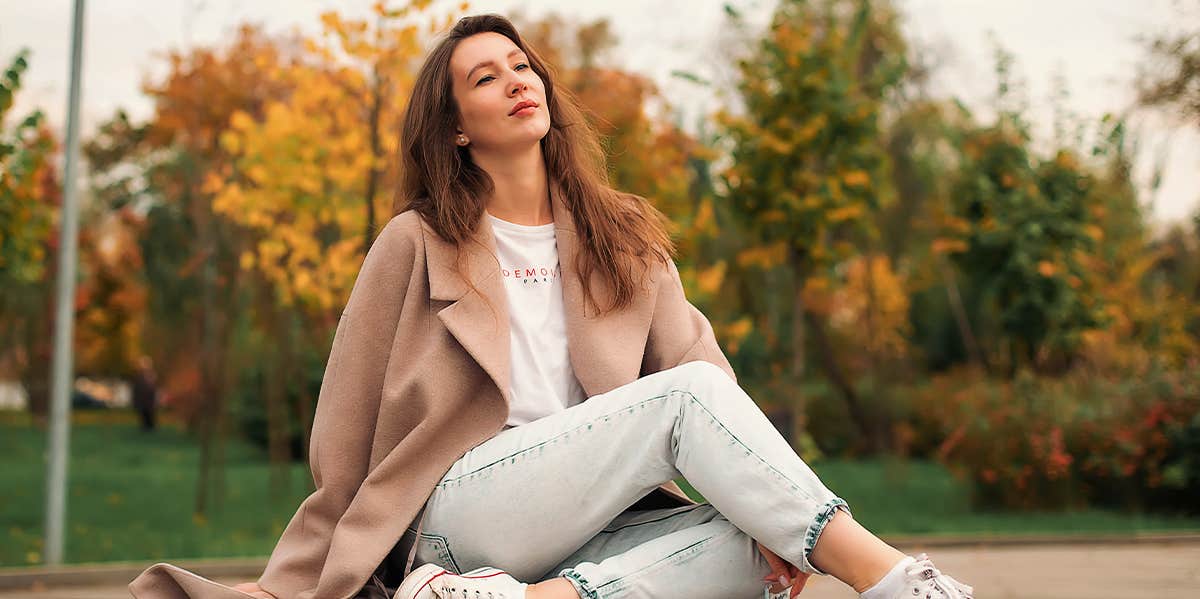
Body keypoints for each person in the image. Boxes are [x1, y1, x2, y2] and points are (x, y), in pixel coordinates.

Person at [129, 13, 973, 599]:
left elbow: (706, 373)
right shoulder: (415, 243)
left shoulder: (623, 236)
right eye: (485, 77)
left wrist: (773, 524)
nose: (516, 82)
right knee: (707, 425)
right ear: (457, 126)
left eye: (522, 66)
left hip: (583, 524)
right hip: (457, 509)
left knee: (764, 552)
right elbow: (342, 441)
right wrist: (295, 579)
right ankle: (896, 578)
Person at [130, 355, 158, 432]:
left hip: (149, 398)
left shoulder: (151, 374)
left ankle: (150, 426)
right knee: (143, 413)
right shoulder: (138, 375)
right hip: (142, 398)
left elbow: (153, 387)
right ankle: (145, 426)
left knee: (149, 413)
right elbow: (136, 387)